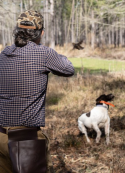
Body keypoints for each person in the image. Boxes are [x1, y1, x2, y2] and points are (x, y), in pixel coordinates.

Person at [0, 10, 75, 173]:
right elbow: (69, 69)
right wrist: (55, 55)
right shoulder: (44, 53)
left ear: (17, 31)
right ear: (40, 33)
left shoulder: (4, 54)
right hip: (26, 140)